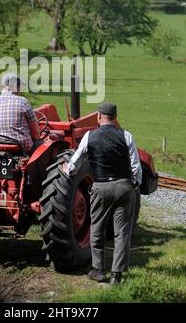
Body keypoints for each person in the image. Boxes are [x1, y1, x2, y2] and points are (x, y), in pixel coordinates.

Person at [64, 102, 142, 285]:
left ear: (99, 116)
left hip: (100, 187)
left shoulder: (89, 136)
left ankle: (98, 270)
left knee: (97, 228)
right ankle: (117, 274)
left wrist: (67, 169)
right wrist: (134, 185)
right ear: (115, 117)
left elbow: (75, 161)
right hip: (124, 187)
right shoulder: (126, 135)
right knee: (122, 232)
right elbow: (136, 166)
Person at [0, 73, 42, 155]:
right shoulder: (23, 102)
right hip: (20, 149)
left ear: (4, 86)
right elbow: (35, 133)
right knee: (42, 146)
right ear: (17, 87)